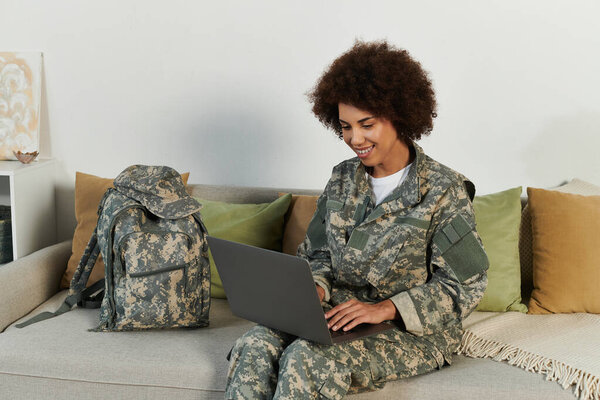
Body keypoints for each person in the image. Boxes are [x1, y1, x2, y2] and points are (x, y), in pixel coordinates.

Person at [225, 39, 489, 400]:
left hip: (409, 331)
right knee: (254, 344)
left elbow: (465, 285)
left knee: (307, 358)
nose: (355, 139)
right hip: (335, 317)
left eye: (367, 124)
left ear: (399, 115)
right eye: (346, 126)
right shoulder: (342, 178)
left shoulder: (444, 190)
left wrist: (385, 308)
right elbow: (317, 255)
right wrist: (314, 288)